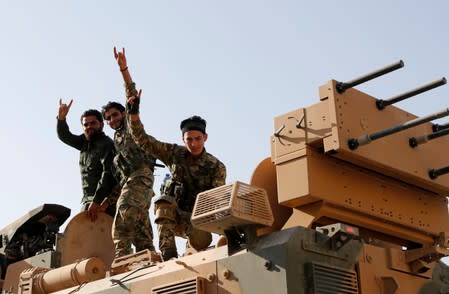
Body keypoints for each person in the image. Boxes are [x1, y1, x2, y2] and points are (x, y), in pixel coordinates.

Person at [114, 47, 227, 260]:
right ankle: (167, 252)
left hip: (198, 222)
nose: (193, 143)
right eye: (189, 139)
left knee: (201, 241)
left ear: (205, 138)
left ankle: (195, 252)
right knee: (163, 201)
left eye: (197, 139)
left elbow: (215, 201)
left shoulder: (216, 167)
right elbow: (142, 140)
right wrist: (134, 113)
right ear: (183, 140)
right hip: (172, 216)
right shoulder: (174, 154)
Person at [101, 100, 157, 257]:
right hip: (135, 184)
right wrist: (109, 199)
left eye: (115, 115)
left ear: (124, 113)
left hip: (141, 179)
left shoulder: (131, 126)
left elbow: (133, 109)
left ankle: (121, 259)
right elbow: (124, 177)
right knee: (141, 232)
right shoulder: (117, 139)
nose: (112, 120)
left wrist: (125, 75)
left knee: (122, 219)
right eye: (109, 118)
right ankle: (149, 260)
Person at [56, 99, 118, 221]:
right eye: (86, 124)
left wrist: (97, 201)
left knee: (104, 238)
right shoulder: (85, 142)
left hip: (104, 203)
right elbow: (65, 136)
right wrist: (61, 119)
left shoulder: (106, 144)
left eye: (93, 123)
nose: (89, 127)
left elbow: (108, 174)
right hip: (88, 201)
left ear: (101, 124)